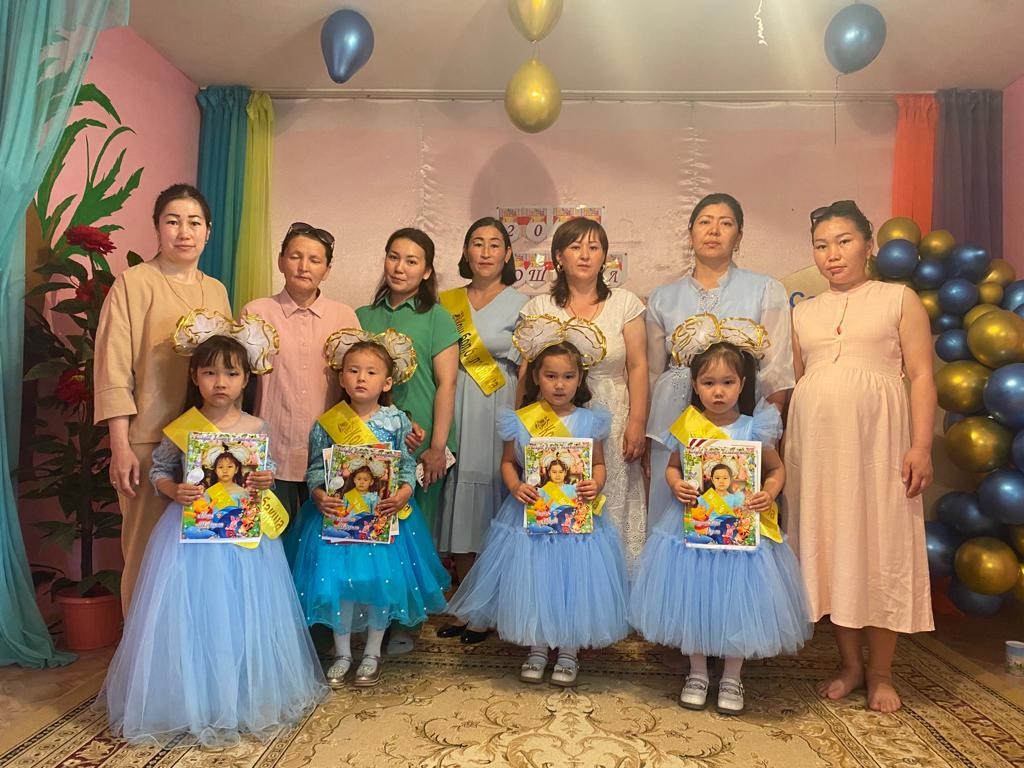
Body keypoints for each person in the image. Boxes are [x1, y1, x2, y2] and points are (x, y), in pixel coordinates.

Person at [99, 326, 327, 746]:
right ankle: (193, 702)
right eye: (209, 373)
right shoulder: (182, 427)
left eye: (231, 373)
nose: (220, 382)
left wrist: (265, 477)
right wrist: (174, 490)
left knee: (242, 614)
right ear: (195, 377)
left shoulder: (256, 426)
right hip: (190, 538)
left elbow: (266, 469)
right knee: (195, 615)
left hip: (244, 540)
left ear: (246, 379)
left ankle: (242, 699)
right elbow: (160, 471)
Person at [784, 200, 935, 713]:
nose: (832, 254)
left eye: (844, 241)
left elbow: (921, 376)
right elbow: (799, 383)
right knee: (834, 549)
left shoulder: (898, 299)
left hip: (879, 447)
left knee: (879, 547)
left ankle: (881, 673)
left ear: (869, 245)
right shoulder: (802, 312)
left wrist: (921, 446)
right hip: (817, 452)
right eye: (821, 245)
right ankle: (849, 665)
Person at [630, 335, 812, 715]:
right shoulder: (689, 425)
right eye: (709, 383)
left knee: (738, 603)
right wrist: (676, 484)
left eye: (727, 382)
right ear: (695, 386)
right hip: (693, 533)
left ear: (742, 385)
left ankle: (731, 675)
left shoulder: (753, 428)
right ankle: (697, 672)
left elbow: (776, 470)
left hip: (741, 538)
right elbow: (674, 467)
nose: (718, 391)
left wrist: (768, 492)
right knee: (693, 599)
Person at [447, 319, 629, 687]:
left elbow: (598, 464)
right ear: (536, 378)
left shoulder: (589, 421)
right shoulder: (521, 421)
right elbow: (507, 463)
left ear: (580, 379)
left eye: (568, 377)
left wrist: (595, 483)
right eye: (551, 376)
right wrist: (515, 486)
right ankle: (537, 647)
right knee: (536, 582)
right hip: (529, 519)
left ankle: (569, 650)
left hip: (577, 524)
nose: (559, 384)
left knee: (573, 582)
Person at [95, 183, 232, 614]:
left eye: (194, 222)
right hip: (149, 440)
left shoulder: (217, 290)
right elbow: (113, 368)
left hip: (207, 445)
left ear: (208, 231)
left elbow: (227, 369)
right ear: (157, 227)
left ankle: (192, 647)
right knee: (146, 556)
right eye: (173, 222)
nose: (184, 232)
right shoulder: (133, 284)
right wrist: (120, 446)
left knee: (202, 558)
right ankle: (141, 651)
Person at [291, 329, 450, 687]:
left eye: (371, 372)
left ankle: (373, 653)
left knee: (380, 584)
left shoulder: (396, 421)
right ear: (341, 377)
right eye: (353, 370)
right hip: (337, 520)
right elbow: (316, 468)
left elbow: (405, 465)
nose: (361, 378)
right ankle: (343, 653)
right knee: (339, 585)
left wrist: (405, 491)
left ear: (387, 381)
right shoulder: (328, 422)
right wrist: (318, 493)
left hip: (383, 519)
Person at [645, 193, 793, 525]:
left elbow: (777, 367)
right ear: (690, 232)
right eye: (704, 222)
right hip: (674, 420)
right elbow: (653, 371)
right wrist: (648, 432)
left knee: (731, 514)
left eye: (726, 224)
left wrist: (768, 431)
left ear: (738, 237)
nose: (714, 231)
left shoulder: (765, 289)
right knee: (674, 509)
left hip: (740, 419)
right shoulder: (662, 297)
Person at [520, 217, 648, 567]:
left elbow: (638, 366)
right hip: (553, 418)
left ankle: (611, 582)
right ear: (558, 256)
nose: (585, 255)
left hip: (614, 413)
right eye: (576, 247)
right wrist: (522, 425)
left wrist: (638, 421)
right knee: (559, 497)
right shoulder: (539, 307)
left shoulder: (625, 303)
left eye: (594, 247)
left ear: (605, 256)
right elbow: (526, 373)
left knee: (609, 496)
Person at [241, 221, 360, 562]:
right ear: (281, 261)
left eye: (314, 259)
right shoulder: (256, 312)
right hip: (270, 448)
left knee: (321, 547)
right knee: (270, 544)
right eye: (295, 256)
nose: (304, 266)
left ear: (327, 270)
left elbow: (358, 383)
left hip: (328, 453)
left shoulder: (344, 316)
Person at [436, 217, 527, 643]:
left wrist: (521, 421)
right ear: (465, 251)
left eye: (495, 244)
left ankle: (490, 606)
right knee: (459, 504)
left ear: (507, 254)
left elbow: (527, 370)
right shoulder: (446, 302)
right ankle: (465, 604)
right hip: (454, 405)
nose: (486, 251)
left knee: (493, 500)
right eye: (477, 243)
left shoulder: (524, 304)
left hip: (498, 406)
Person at [356, 228, 459, 539]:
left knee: (416, 531)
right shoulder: (361, 316)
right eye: (394, 258)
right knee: (367, 523)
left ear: (426, 271)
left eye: (411, 261)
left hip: (422, 442)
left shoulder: (438, 318)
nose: (400, 268)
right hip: (369, 437)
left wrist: (437, 447)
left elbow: (447, 384)